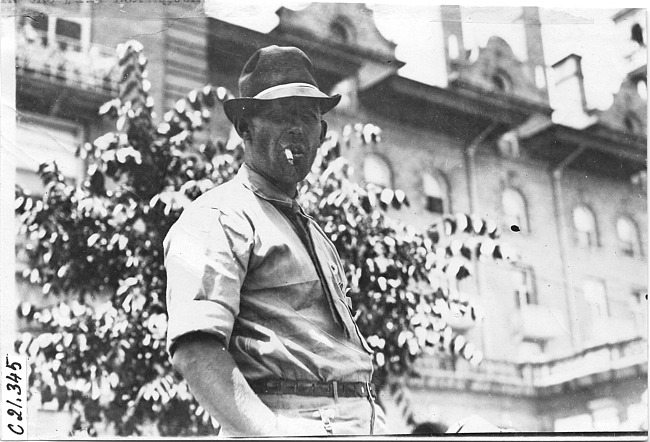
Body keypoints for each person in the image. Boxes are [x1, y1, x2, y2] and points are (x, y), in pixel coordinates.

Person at [164, 45, 386, 437]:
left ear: (322, 134)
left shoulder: (312, 232)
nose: (297, 128)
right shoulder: (219, 216)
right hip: (289, 424)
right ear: (244, 128)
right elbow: (196, 351)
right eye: (281, 115)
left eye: (307, 116)